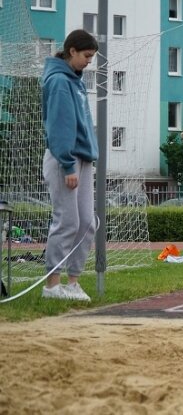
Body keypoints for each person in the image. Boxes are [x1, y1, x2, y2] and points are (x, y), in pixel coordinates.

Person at [40, 29, 99, 301]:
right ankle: (52, 285)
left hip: (83, 158)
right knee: (67, 221)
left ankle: (72, 282)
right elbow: (60, 125)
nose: (89, 61)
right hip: (66, 159)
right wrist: (67, 165)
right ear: (72, 51)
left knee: (87, 222)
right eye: (86, 56)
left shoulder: (74, 80)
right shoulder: (59, 82)